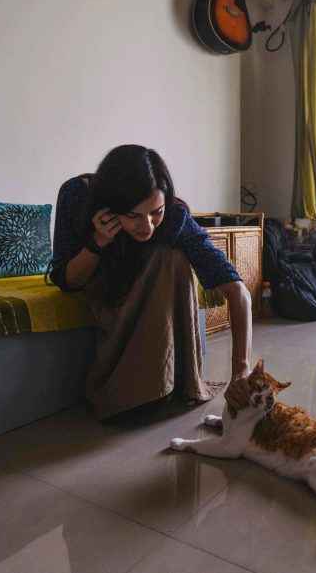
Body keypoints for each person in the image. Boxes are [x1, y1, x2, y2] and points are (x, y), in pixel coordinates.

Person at [49, 145, 251, 419]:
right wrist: (98, 242)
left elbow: (237, 291)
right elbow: (67, 280)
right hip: (102, 283)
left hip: (148, 287)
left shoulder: (173, 218)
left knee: (172, 256)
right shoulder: (76, 194)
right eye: (133, 215)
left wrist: (241, 368)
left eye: (155, 212)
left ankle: (172, 381)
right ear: (109, 207)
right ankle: (130, 387)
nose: (147, 226)